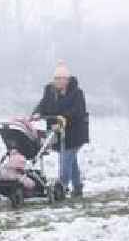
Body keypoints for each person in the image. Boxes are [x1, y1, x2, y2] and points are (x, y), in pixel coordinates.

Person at [32, 61, 89, 197]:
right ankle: (77, 186)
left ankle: (62, 187)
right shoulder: (49, 91)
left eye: (59, 79)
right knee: (70, 159)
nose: (56, 81)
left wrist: (64, 118)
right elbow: (43, 104)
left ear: (67, 80)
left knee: (66, 157)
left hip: (75, 133)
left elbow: (78, 111)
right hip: (57, 131)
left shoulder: (77, 93)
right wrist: (37, 113)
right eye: (55, 78)